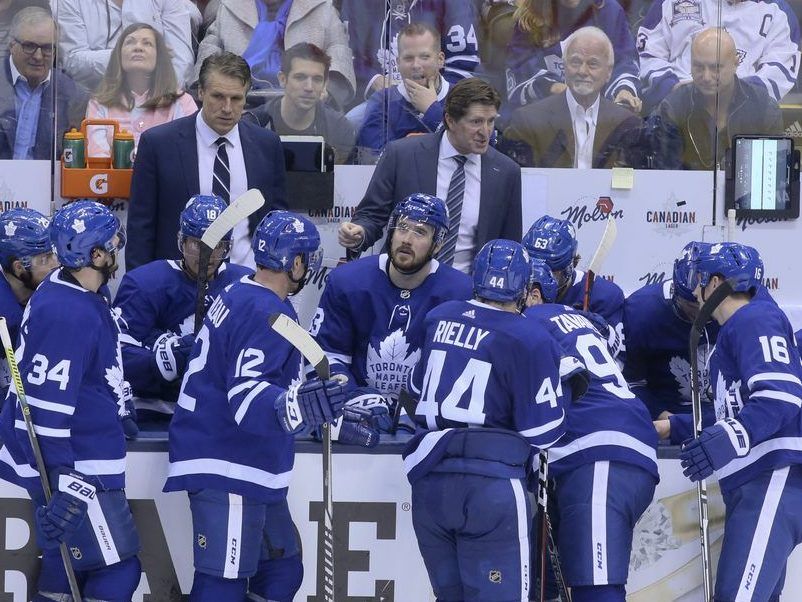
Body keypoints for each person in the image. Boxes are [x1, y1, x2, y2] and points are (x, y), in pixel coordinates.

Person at [164, 210, 358, 601]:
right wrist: (299, 406)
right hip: (228, 460)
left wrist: (328, 418)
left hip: (243, 461)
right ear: (297, 262)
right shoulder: (265, 310)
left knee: (282, 569)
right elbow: (248, 399)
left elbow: (274, 384)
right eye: (308, 256)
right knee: (222, 584)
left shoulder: (239, 290)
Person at [403, 239, 585, 600]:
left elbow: (413, 389)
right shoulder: (530, 336)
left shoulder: (438, 316)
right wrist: (563, 390)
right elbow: (544, 432)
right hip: (491, 489)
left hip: (430, 485)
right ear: (523, 285)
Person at [0, 200, 141, 601]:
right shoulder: (67, 311)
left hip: (81, 457)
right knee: (119, 568)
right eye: (111, 242)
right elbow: (44, 410)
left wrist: (119, 401)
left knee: (66, 570)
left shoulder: (75, 291)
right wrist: (64, 482)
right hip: (79, 465)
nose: (118, 246)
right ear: (95, 254)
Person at [655, 242, 802, 601]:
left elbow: (780, 395)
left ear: (717, 281)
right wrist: (675, 426)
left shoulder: (755, 318)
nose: (694, 289)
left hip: (774, 476)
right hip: (757, 479)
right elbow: (736, 413)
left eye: (699, 279)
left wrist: (732, 436)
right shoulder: (733, 335)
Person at [524, 259, 658, 602]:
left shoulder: (530, 320)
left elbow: (565, 389)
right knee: (559, 579)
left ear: (534, 295)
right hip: (608, 448)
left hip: (600, 450)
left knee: (597, 587)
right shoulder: (575, 320)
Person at [339, 77, 522, 274]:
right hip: (404, 282)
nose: (485, 132)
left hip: (467, 292)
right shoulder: (402, 155)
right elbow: (371, 215)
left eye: (491, 121)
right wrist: (359, 233)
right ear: (450, 120)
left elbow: (509, 245)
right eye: (476, 122)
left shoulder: (505, 172)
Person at [127, 52, 288, 271]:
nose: (227, 108)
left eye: (236, 99)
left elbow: (276, 222)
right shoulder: (158, 144)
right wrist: (140, 289)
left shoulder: (267, 145)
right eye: (218, 96)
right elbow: (141, 229)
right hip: (177, 287)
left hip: (246, 286)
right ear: (201, 92)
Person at [312, 194, 472, 411]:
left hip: (424, 422)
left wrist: (419, 412)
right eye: (403, 227)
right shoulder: (347, 281)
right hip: (355, 414)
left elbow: (461, 372)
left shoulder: (461, 294)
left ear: (438, 245)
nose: (407, 239)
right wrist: (353, 398)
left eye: (420, 232)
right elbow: (326, 354)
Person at [113, 195, 252, 423]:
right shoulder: (145, 284)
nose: (208, 255)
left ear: (228, 246)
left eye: (217, 245)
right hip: (158, 411)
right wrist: (160, 361)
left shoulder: (244, 285)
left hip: (222, 413)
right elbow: (114, 355)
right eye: (198, 244)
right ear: (182, 241)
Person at [503, 26, 641, 169]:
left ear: (609, 72)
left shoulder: (627, 124)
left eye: (592, 64)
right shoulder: (529, 121)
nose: (582, 71)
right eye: (575, 62)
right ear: (564, 66)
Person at [650, 27, 785, 170]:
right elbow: (664, 174)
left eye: (715, 68)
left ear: (736, 64)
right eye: (698, 67)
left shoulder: (763, 107)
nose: (706, 77)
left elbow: (775, 172)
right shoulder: (672, 108)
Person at [638, 0, 800, 113]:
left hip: (741, 116)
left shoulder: (778, 13)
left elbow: (778, 73)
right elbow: (648, 55)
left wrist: (733, 95)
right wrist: (672, 88)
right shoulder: (669, 3)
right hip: (674, 108)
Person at [193, 0, 356, 109]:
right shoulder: (228, 7)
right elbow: (209, 51)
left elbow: (339, 52)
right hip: (238, 105)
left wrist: (327, 89)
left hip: (306, 107)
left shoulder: (323, 8)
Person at [622, 242, 718, 421]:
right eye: (692, 305)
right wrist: (667, 420)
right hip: (666, 415)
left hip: (726, 414)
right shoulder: (643, 312)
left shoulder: (743, 306)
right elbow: (632, 381)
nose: (701, 311)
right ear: (676, 293)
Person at [505, 0, 641, 113]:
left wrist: (623, 91)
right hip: (545, 122)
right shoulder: (530, 16)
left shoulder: (609, 10)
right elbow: (520, 70)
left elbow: (624, 61)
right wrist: (553, 88)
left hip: (600, 120)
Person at [85, 22, 198, 157]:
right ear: (118, 55)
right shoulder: (99, 102)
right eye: (130, 42)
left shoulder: (182, 102)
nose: (138, 47)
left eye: (147, 43)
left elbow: (188, 153)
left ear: (159, 56)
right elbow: (97, 158)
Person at [341, 0, 480, 108]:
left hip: (438, 102)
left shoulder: (453, 3)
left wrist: (437, 97)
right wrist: (373, 79)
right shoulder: (358, 3)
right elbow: (348, 54)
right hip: (380, 103)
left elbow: (464, 62)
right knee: (352, 124)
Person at [243, 42, 355, 164]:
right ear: (282, 79)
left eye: (317, 79)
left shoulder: (339, 129)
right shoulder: (253, 124)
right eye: (300, 77)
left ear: (325, 84)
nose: (309, 87)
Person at [0, 7, 87, 160]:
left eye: (47, 48)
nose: (38, 56)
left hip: (49, 182)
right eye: (29, 46)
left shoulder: (74, 96)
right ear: (12, 45)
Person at [355, 22, 451, 160]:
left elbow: (478, 147)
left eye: (424, 57)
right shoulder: (382, 102)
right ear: (398, 62)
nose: (416, 65)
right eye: (408, 58)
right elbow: (378, 159)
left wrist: (432, 111)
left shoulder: (462, 95)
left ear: (440, 59)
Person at [522, 214, 625, 340]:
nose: (538, 280)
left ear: (569, 267)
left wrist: (600, 331)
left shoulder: (604, 296)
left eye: (549, 272)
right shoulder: (514, 289)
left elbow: (618, 358)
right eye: (532, 270)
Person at [57, 0, 194, 89]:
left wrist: (163, 95)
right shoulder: (69, 2)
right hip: (93, 101)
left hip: (159, 101)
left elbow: (182, 60)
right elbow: (72, 61)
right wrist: (125, 55)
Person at [0, 207, 58, 399]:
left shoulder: (63, 289)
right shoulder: (6, 315)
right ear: (19, 267)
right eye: (44, 259)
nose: (55, 263)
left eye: (54, 254)